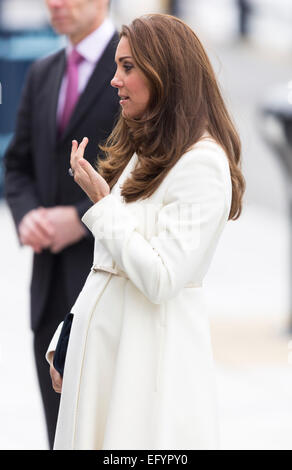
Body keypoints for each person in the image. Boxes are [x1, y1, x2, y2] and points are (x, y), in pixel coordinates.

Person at [47, 13, 246, 450]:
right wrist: (69, 334)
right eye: (117, 66)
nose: (115, 80)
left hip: (147, 374)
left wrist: (104, 203)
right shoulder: (147, 152)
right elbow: (108, 266)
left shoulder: (203, 164)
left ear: (166, 73)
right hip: (107, 361)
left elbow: (160, 277)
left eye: (129, 67)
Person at [3, 0, 119, 449]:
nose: (55, 3)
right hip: (48, 289)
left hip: (105, 283)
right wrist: (28, 213)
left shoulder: (131, 68)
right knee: (59, 434)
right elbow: (17, 165)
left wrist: (80, 219)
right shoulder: (43, 72)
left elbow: (145, 175)